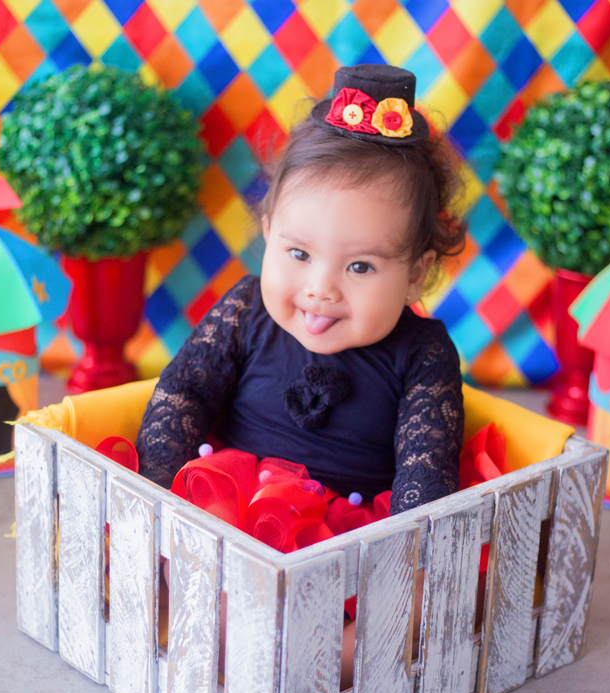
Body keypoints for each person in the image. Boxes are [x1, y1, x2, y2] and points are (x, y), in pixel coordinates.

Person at [136, 64, 467, 532]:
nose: (321, 288)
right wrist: (158, 495)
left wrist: (404, 552)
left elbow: (427, 472)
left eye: (360, 267)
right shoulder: (245, 310)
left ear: (416, 275)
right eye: (299, 254)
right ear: (268, 234)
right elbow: (183, 393)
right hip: (227, 512)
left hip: (343, 539)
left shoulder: (423, 352)